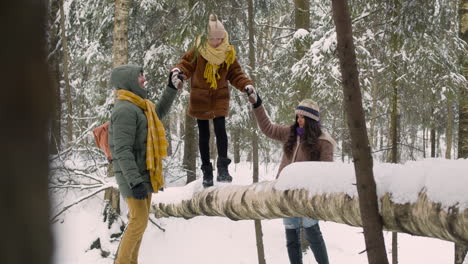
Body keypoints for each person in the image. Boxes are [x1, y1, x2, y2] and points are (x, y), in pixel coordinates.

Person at [246, 91, 335, 264]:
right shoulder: (290, 133)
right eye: (298, 116)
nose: (299, 120)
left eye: (303, 117)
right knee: (291, 237)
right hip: (285, 192)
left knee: (312, 233)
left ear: (311, 121)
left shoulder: (324, 142)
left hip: (307, 195)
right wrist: (257, 104)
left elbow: (327, 171)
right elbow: (268, 128)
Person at [108, 64, 182, 264]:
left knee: (139, 223)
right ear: (129, 81)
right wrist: (135, 181)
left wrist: (171, 89)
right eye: (139, 75)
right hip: (132, 177)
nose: (144, 78)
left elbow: (158, 113)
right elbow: (122, 151)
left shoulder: (140, 106)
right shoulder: (124, 109)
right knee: (138, 221)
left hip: (143, 174)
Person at [171, 14, 255, 188]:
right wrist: (178, 72)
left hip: (219, 96)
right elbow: (186, 64)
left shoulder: (228, 53)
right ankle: (207, 172)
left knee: (220, 131)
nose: (216, 42)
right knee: (204, 134)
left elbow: (236, 74)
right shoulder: (198, 50)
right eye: (212, 39)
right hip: (200, 96)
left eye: (219, 38)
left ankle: (223, 169)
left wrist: (247, 85)